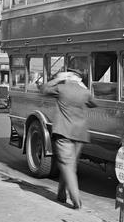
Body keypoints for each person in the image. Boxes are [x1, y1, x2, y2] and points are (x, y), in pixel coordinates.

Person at [40, 69, 96, 210]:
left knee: (67, 165)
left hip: (64, 133)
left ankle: (76, 200)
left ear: (69, 76)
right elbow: (94, 103)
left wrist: (58, 79)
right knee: (70, 166)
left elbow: (44, 89)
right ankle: (61, 194)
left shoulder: (61, 88)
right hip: (80, 135)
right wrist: (83, 86)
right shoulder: (85, 92)